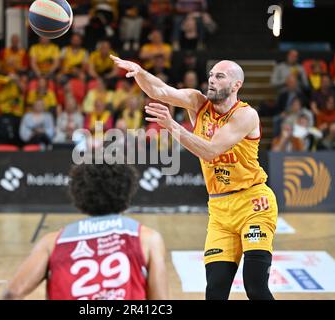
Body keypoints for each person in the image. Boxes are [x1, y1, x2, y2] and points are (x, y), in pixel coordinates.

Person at [111, 55, 278, 300]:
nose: (211, 80)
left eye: (219, 76)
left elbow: (210, 151)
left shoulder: (245, 115)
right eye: (211, 75)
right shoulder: (197, 102)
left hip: (253, 203)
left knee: (255, 286)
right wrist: (140, 73)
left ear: (236, 86)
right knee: (215, 292)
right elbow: (160, 90)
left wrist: (172, 126)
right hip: (220, 209)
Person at [1, 163, 168, 300]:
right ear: (126, 192)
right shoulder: (147, 238)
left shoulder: (53, 242)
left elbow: (12, 293)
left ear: (78, 194)